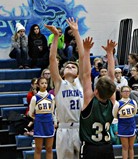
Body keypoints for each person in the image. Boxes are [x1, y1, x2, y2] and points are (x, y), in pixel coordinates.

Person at [45, 18, 84, 159]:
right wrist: (56, 37)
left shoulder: (80, 82)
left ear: (78, 72)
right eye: (67, 66)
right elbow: (52, 59)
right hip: (63, 128)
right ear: (62, 72)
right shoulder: (59, 83)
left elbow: (82, 55)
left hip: (80, 128)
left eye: (73, 66)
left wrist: (76, 32)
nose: (70, 67)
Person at [78, 35, 117, 159]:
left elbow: (86, 75)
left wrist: (87, 50)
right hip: (107, 147)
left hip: (91, 148)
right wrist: (110, 53)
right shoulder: (112, 101)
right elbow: (111, 76)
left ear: (96, 91)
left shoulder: (90, 100)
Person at [29, 77, 56, 159]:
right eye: (42, 83)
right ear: (38, 85)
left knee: (49, 148)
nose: (44, 85)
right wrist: (37, 118)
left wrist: (54, 121)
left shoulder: (51, 97)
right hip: (39, 123)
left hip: (49, 123)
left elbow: (52, 112)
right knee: (38, 148)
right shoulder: (34, 98)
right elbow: (30, 113)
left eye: (45, 83)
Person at [113, 85, 137, 159]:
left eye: (128, 91)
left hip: (131, 125)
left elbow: (134, 113)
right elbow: (114, 114)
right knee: (125, 147)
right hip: (123, 126)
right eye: (124, 91)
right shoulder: (118, 103)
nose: (126, 93)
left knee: (131, 147)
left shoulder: (133, 102)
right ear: (121, 93)